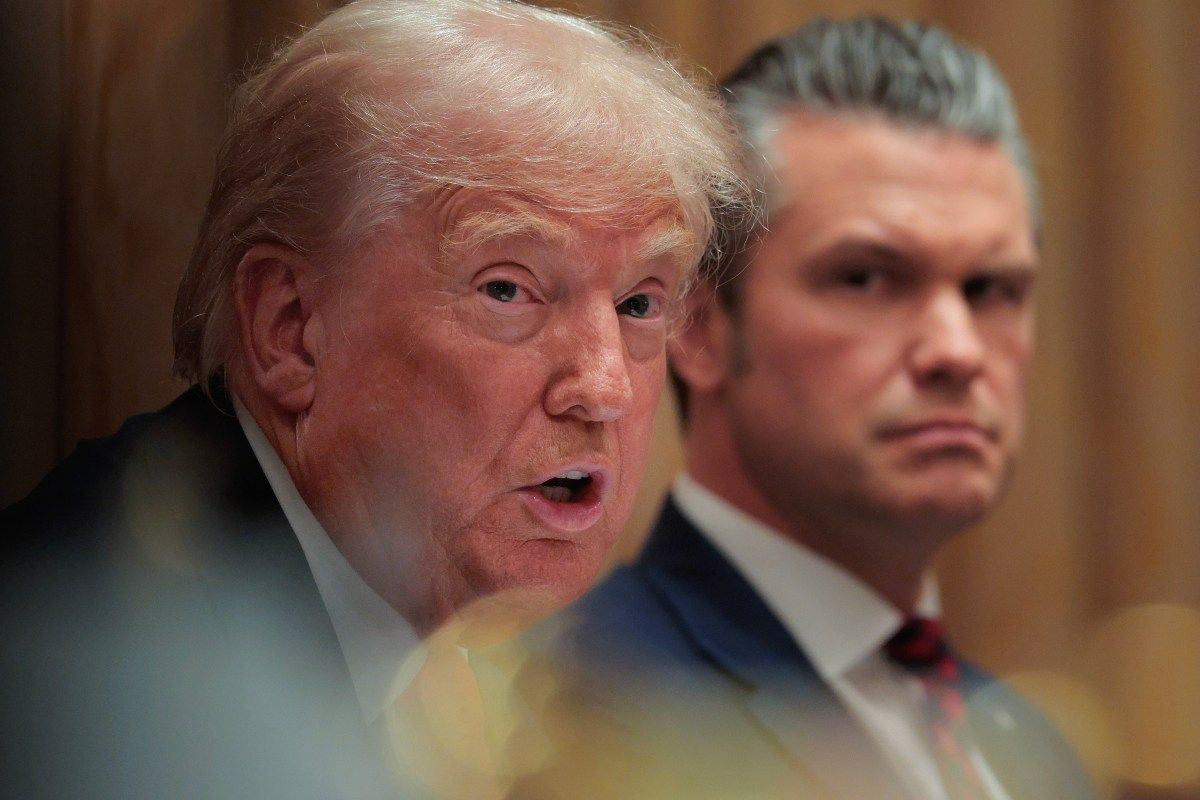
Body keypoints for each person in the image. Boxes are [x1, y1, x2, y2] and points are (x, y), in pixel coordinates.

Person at [0, 1, 749, 798]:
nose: (604, 388)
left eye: (639, 303)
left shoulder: (475, 659)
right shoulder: (107, 672)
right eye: (508, 289)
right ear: (291, 329)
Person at [489, 16, 1097, 800]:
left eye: (992, 290)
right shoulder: (571, 714)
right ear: (697, 327)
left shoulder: (1035, 746)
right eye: (866, 279)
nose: (957, 350)